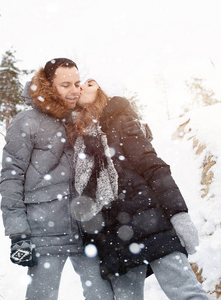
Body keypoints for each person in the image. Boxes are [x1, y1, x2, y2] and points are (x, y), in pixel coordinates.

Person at [68, 77, 210, 300]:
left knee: (187, 293)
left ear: (104, 90)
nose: (82, 87)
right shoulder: (80, 139)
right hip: (113, 236)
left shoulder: (122, 122)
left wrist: (179, 214)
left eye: (91, 83)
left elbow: (153, 167)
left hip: (151, 224)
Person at [0, 59, 114, 300]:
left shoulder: (83, 117)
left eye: (77, 83)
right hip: (44, 230)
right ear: (49, 86)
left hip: (87, 229)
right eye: (65, 85)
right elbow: (11, 176)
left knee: (103, 296)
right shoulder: (27, 121)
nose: (74, 90)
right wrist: (18, 233)